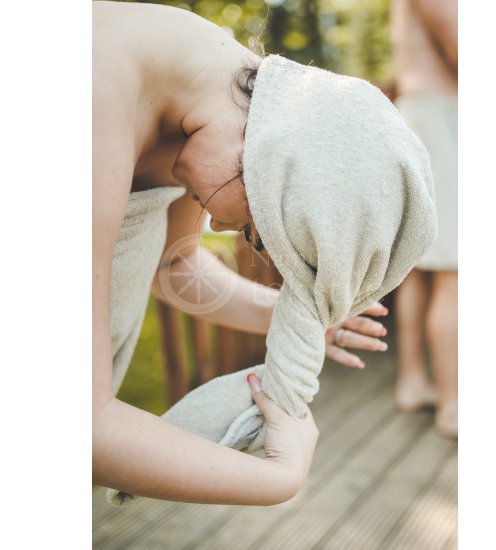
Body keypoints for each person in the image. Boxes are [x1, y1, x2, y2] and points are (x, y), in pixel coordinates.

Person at [93, 1, 435, 506]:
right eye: (257, 232)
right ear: (278, 163)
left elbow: (175, 267)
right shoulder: (93, 93)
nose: (221, 225)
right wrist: (276, 479)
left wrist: (287, 318)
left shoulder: (210, 99)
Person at [391, 0, 458, 438]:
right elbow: (461, 48)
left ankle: (414, 380)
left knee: (421, 264)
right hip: (441, 115)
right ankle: (456, 404)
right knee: (458, 271)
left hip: (426, 112)